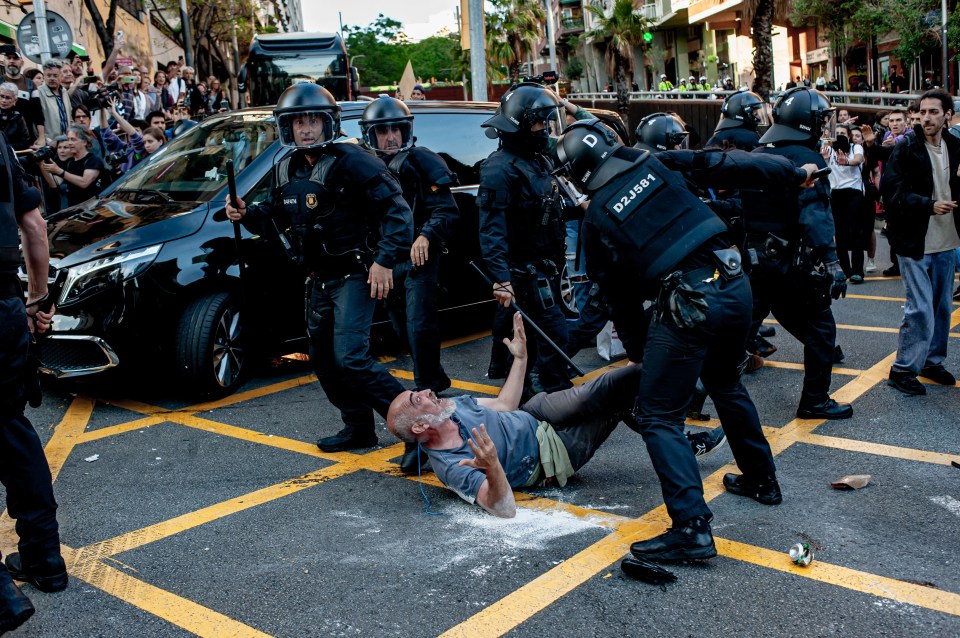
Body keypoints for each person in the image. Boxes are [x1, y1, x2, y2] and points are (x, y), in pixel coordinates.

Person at [553, 119, 817, 561]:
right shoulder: (655, 163)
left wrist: (641, 355)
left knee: (658, 415)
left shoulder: (597, 215)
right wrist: (793, 173)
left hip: (690, 304)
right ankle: (761, 479)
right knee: (726, 384)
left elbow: (615, 298)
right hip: (734, 284)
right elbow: (726, 162)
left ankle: (691, 530)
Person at [225, 83, 413, 452]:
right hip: (318, 281)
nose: (306, 129)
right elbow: (275, 218)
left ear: (329, 123)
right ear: (287, 127)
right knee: (325, 362)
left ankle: (417, 429)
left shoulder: (354, 161)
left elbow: (398, 213)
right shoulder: (285, 168)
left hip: (356, 276)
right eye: (298, 122)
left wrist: (385, 260)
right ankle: (358, 427)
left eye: (313, 120)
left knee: (353, 359)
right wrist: (246, 214)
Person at [386, 314, 719, 515]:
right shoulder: (452, 467)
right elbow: (502, 508)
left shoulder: (452, 407)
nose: (429, 392)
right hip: (551, 454)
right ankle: (693, 402)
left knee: (611, 383)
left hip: (536, 413)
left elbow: (504, 406)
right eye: (419, 399)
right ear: (419, 426)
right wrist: (492, 467)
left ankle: (692, 362)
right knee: (620, 399)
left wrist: (520, 358)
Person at [741, 86, 852, 420]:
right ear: (808, 123)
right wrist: (831, 260)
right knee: (821, 330)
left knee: (743, 328)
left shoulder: (759, 151)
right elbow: (814, 213)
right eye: (820, 120)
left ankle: (696, 392)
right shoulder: (808, 160)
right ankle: (814, 401)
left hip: (757, 261)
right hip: (792, 263)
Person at [0, 127, 68, 636]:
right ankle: (45, 559)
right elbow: (34, 226)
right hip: (2, 308)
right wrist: (37, 298)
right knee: (11, 430)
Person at [478, 83, 571, 395]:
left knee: (532, 339)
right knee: (552, 336)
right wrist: (502, 279)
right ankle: (554, 397)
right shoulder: (498, 169)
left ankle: (534, 395)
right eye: (538, 122)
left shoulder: (537, 160)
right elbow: (491, 229)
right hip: (523, 273)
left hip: (546, 268)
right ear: (520, 123)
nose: (544, 128)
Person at [881, 90, 960, 395]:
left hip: (947, 239)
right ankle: (902, 370)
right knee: (920, 309)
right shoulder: (906, 149)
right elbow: (891, 193)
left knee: (941, 307)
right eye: (923, 112)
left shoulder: (955, 146)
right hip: (914, 242)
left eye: (933, 112)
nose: (926, 117)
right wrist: (928, 204)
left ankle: (932, 361)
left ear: (947, 116)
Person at [823, 124, 867, 282]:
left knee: (855, 232)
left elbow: (858, 160)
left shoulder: (856, 148)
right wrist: (824, 158)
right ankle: (845, 269)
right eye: (837, 133)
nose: (840, 135)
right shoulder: (827, 150)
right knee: (839, 234)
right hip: (835, 194)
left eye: (843, 133)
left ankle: (857, 271)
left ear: (848, 136)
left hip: (853, 192)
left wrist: (846, 162)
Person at [33, 60, 72, 146]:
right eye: (48, 75)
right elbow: (36, 122)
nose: (52, 78)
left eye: (55, 75)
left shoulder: (64, 92)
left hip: (67, 142)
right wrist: (48, 142)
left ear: (61, 76)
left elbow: (70, 117)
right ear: (44, 76)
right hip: (50, 144)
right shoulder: (39, 93)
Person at [0, 82, 31, 150]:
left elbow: (25, 141)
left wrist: (6, 147)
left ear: (15, 100)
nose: (3, 100)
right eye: (1, 96)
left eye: (8, 98)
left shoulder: (17, 117)